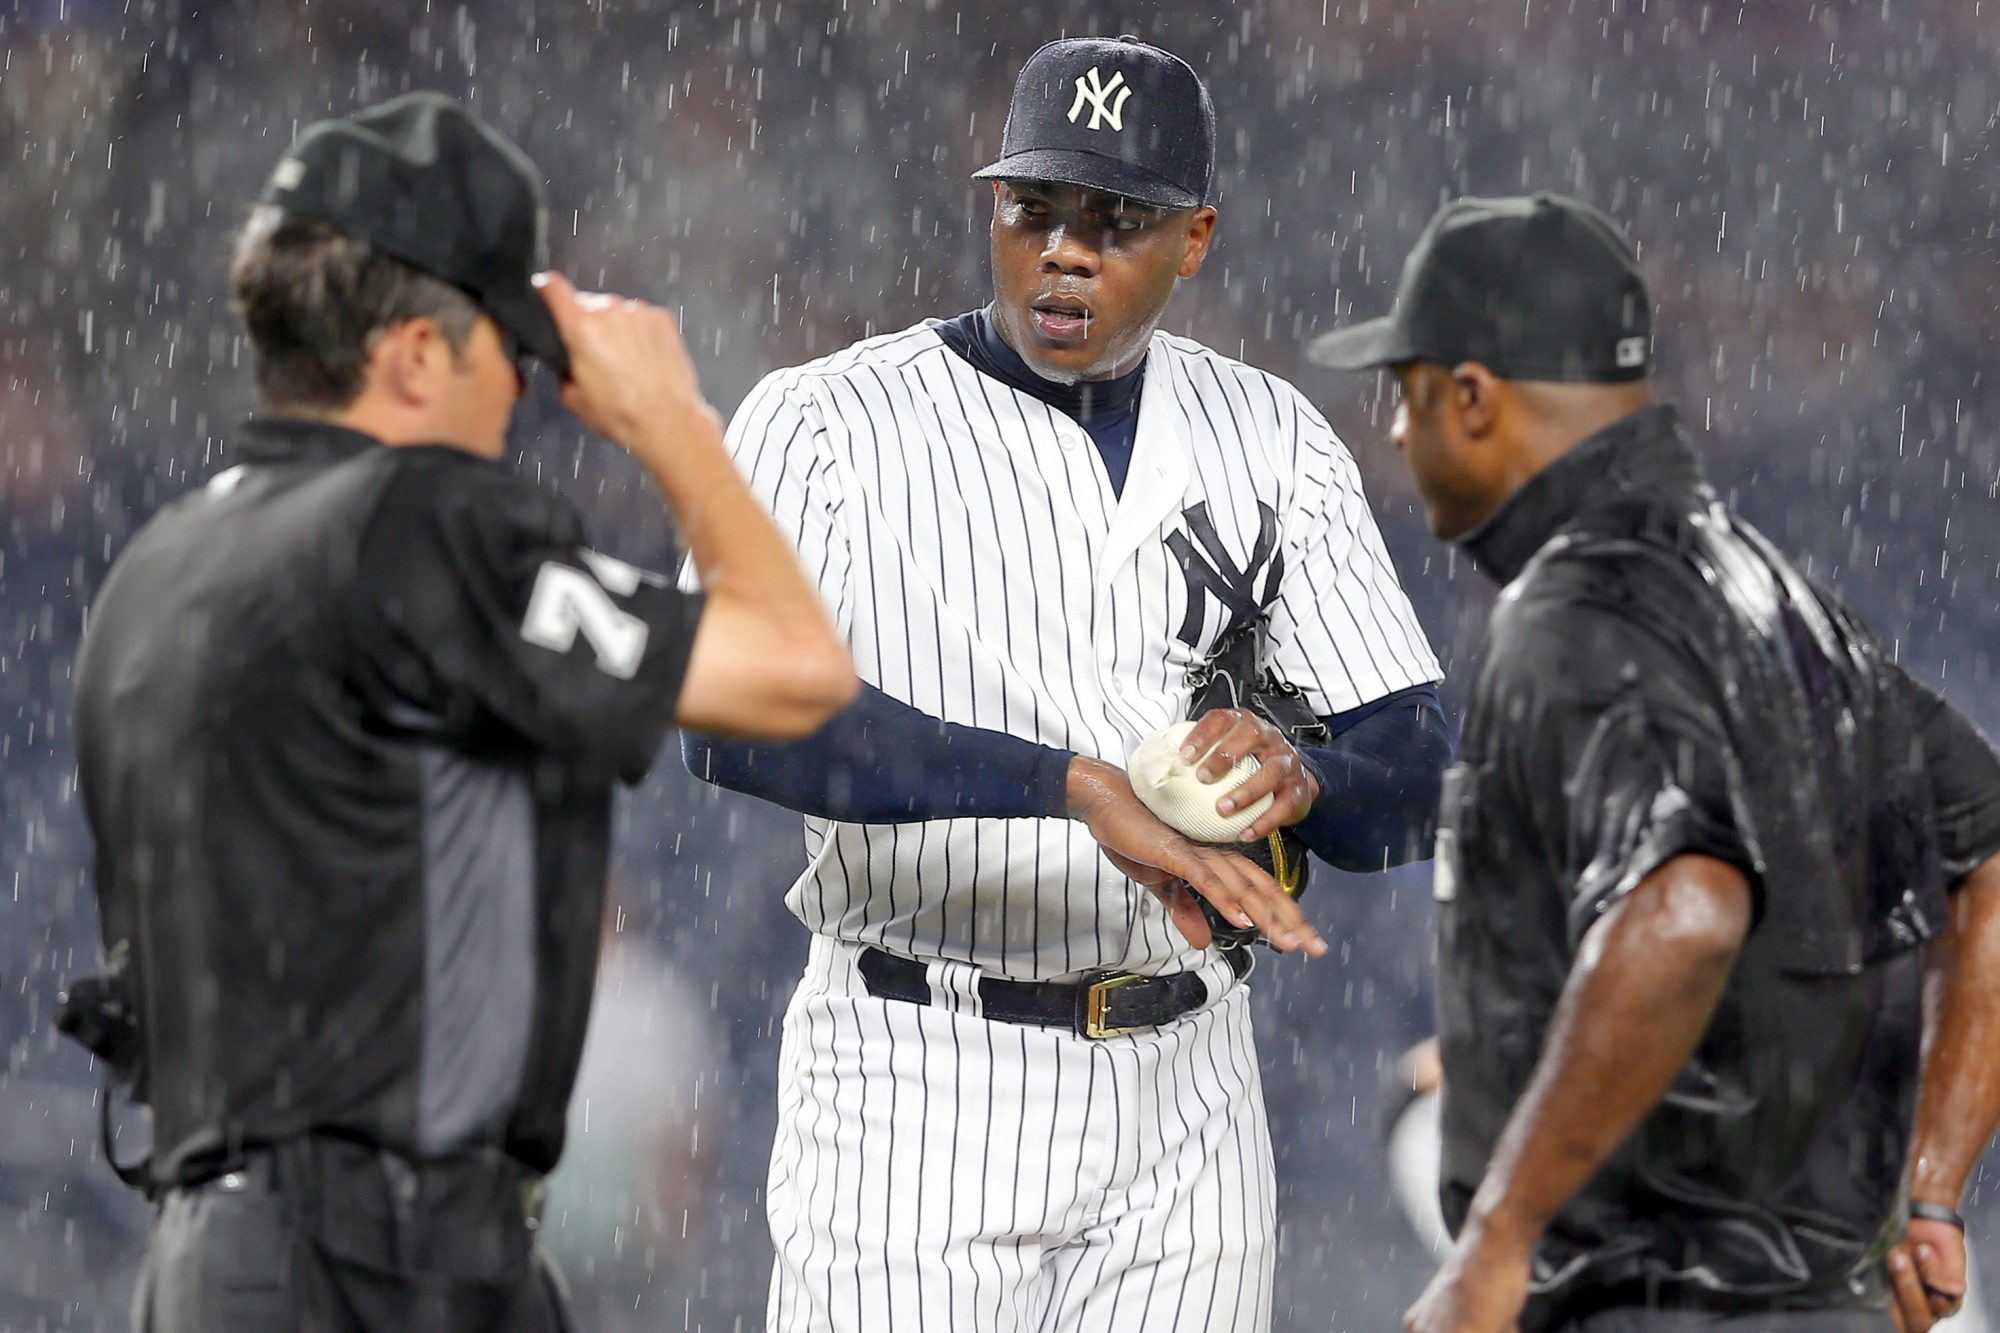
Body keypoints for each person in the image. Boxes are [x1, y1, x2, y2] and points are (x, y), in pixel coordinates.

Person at [682, 35, 1449, 1332]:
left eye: (1119, 219)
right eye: (1035, 209)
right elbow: (726, 718)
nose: (1066, 250)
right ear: (996, 209)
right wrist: (1066, 784)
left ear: (1194, 237)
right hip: (915, 1067)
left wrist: (1306, 774)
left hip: (1188, 1076)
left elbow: (1414, 763)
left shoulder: (1273, 439)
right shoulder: (825, 421)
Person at [68, 93, 855, 1332]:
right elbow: (795, 669)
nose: (528, 392)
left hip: (213, 1254)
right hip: (378, 1265)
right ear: (417, 355)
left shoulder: (157, 562)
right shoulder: (419, 527)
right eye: (512, 350)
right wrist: (673, 424)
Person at [1307, 191, 2000, 1333]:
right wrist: (1930, 1189)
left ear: (1474, 398)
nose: (1393, 432)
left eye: (1409, 393)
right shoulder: (1778, 598)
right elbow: (1984, 863)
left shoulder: (1575, 608)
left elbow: (1684, 907)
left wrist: (1496, 1241)